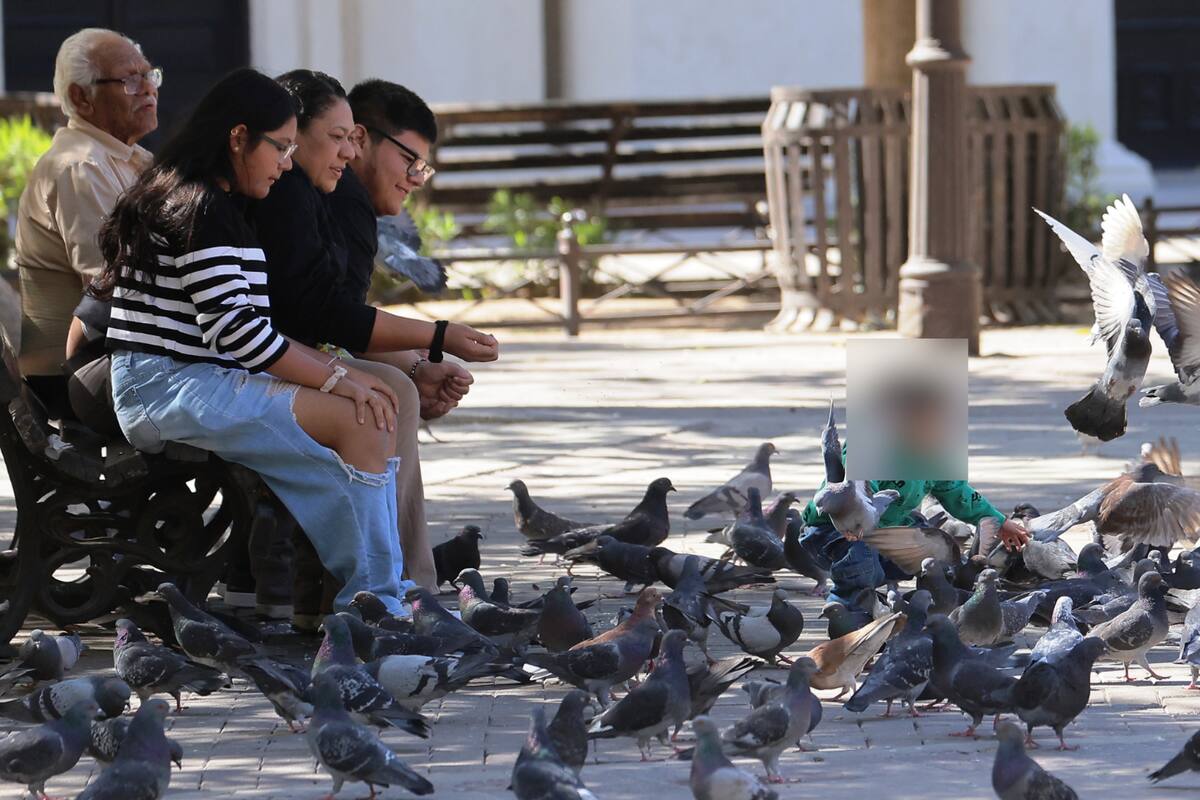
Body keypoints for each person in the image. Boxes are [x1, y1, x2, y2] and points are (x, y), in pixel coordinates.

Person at [97, 67, 413, 616]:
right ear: (238, 137)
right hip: (163, 387)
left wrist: (350, 378)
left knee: (370, 412)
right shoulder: (197, 206)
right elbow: (241, 336)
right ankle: (376, 604)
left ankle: (373, 596)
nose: (287, 163)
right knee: (360, 416)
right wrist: (341, 378)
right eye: (280, 148)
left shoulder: (221, 203)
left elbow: (246, 333)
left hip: (198, 379)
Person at [253, 73, 490, 596]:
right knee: (389, 393)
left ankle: (399, 576)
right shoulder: (319, 194)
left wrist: (413, 360)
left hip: (265, 352)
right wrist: (435, 340)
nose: (417, 178)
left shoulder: (316, 192)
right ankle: (404, 583)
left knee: (393, 385)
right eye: (411, 161)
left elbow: (328, 317)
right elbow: (322, 317)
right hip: (225, 367)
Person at [16, 28, 158, 409]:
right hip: (76, 376)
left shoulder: (132, 159)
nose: (148, 89)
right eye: (130, 80)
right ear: (82, 97)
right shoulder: (80, 166)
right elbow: (113, 288)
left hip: (121, 356)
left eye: (149, 75)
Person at [800, 393, 1028, 605]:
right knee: (859, 557)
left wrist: (999, 520)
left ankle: (930, 603)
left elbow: (958, 493)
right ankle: (848, 607)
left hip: (882, 530)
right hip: (834, 533)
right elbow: (857, 485)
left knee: (936, 545)